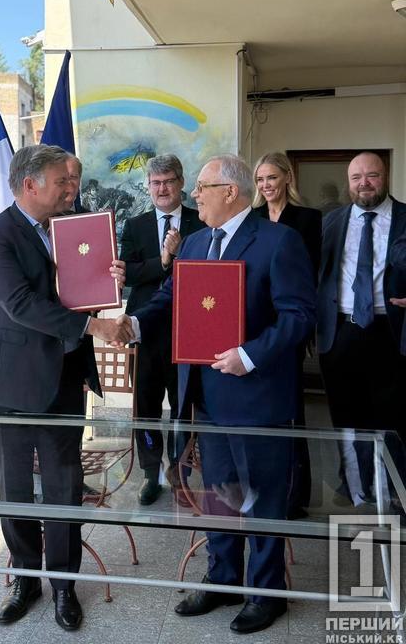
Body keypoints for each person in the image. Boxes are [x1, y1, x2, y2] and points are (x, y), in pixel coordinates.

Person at [118, 155, 316, 634]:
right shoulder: (195, 242)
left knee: (262, 498)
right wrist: (135, 325)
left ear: (230, 191)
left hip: (257, 397)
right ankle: (223, 578)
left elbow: (299, 316)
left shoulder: (279, 241)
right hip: (205, 396)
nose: (193, 195)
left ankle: (267, 594)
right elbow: (171, 299)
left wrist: (250, 355)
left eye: (202, 187)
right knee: (220, 497)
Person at [0, 144, 132, 631]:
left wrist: (110, 279)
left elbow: (82, 292)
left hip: (64, 378)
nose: (72, 189)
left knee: (64, 488)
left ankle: (64, 585)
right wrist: (95, 327)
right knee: (15, 488)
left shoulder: (74, 228)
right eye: (63, 181)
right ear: (30, 185)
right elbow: (19, 303)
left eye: (73, 180)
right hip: (10, 383)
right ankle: (25, 581)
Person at [317, 151, 406, 506]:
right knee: (347, 413)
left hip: (392, 331)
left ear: (385, 176)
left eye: (372, 175)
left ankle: (397, 493)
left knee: (395, 417)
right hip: (342, 330)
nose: (364, 183)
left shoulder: (405, 217)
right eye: (356, 177)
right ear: (348, 182)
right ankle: (355, 485)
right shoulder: (332, 221)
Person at [119, 154, 205, 505]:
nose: (162, 188)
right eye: (156, 183)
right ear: (148, 186)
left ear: (181, 183)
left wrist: (180, 254)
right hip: (145, 333)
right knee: (146, 408)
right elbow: (129, 274)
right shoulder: (135, 225)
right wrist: (165, 261)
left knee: (184, 408)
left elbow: (208, 272)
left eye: (168, 181)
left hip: (189, 332)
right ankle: (150, 473)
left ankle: (180, 474)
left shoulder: (201, 222)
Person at [253, 151, 322, 518]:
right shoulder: (253, 218)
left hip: (290, 327)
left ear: (287, 178)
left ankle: (295, 495)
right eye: (260, 179)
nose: (266, 185)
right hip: (257, 328)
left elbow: (309, 275)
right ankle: (263, 489)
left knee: (292, 409)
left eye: (272, 178)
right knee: (264, 406)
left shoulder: (308, 219)